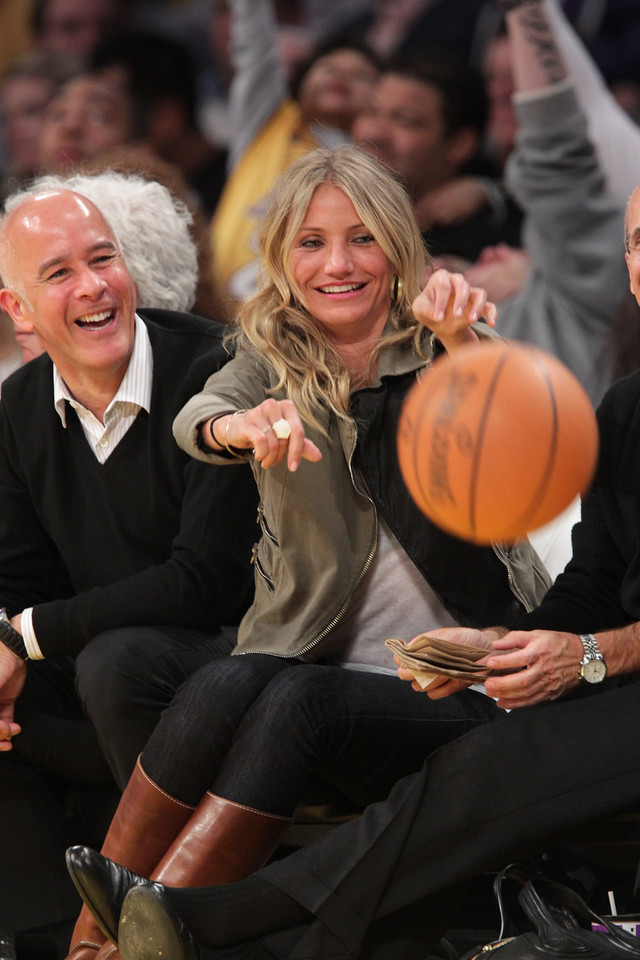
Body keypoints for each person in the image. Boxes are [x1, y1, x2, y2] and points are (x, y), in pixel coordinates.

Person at [66, 139, 640, 960]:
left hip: (448, 683)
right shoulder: (268, 355)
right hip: (331, 663)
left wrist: (459, 340)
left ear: (398, 248)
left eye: (363, 237)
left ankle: (168, 928)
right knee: (215, 675)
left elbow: (518, 433)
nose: (338, 262)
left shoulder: (450, 339)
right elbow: (202, 416)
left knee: (286, 701)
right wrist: (244, 426)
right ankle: (111, 934)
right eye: (312, 241)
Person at [0, 186, 258, 953]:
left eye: (103, 259)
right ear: (18, 306)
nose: (92, 286)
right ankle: (54, 938)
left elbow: (204, 580)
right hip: (102, 689)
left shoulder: (218, 368)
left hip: (229, 667)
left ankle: (174, 929)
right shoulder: (17, 409)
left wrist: (27, 637)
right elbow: (18, 581)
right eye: (58, 273)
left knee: (116, 662)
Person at [210, 0, 380, 302]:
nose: (340, 78)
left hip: (303, 314)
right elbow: (253, 48)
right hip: (218, 308)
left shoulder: (374, 161)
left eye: (359, 76)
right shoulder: (267, 121)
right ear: (301, 80)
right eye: (328, 68)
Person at [351, 54, 524, 264]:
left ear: (460, 144)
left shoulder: (478, 255)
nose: (375, 133)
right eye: (371, 112)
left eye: (405, 120)